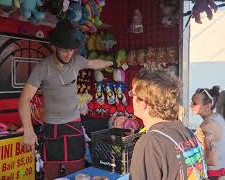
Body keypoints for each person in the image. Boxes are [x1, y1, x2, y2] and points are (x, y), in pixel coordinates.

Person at [18, 21, 113, 179]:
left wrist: (110, 63)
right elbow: (24, 100)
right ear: (54, 47)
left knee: (77, 173)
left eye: (71, 50)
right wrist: (28, 130)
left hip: (74, 125)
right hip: (52, 128)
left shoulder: (76, 60)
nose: (69, 54)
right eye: (64, 50)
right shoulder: (42, 68)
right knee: (52, 173)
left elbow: (92, 64)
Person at [129, 69, 207, 180]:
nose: (131, 98)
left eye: (133, 94)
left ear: (144, 103)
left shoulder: (150, 143)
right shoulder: (186, 132)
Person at [191, 87, 225, 179]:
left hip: (218, 176)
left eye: (194, 103)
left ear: (208, 106)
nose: (190, 105)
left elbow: (211, 160)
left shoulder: (207, 126)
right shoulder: (218, 117)